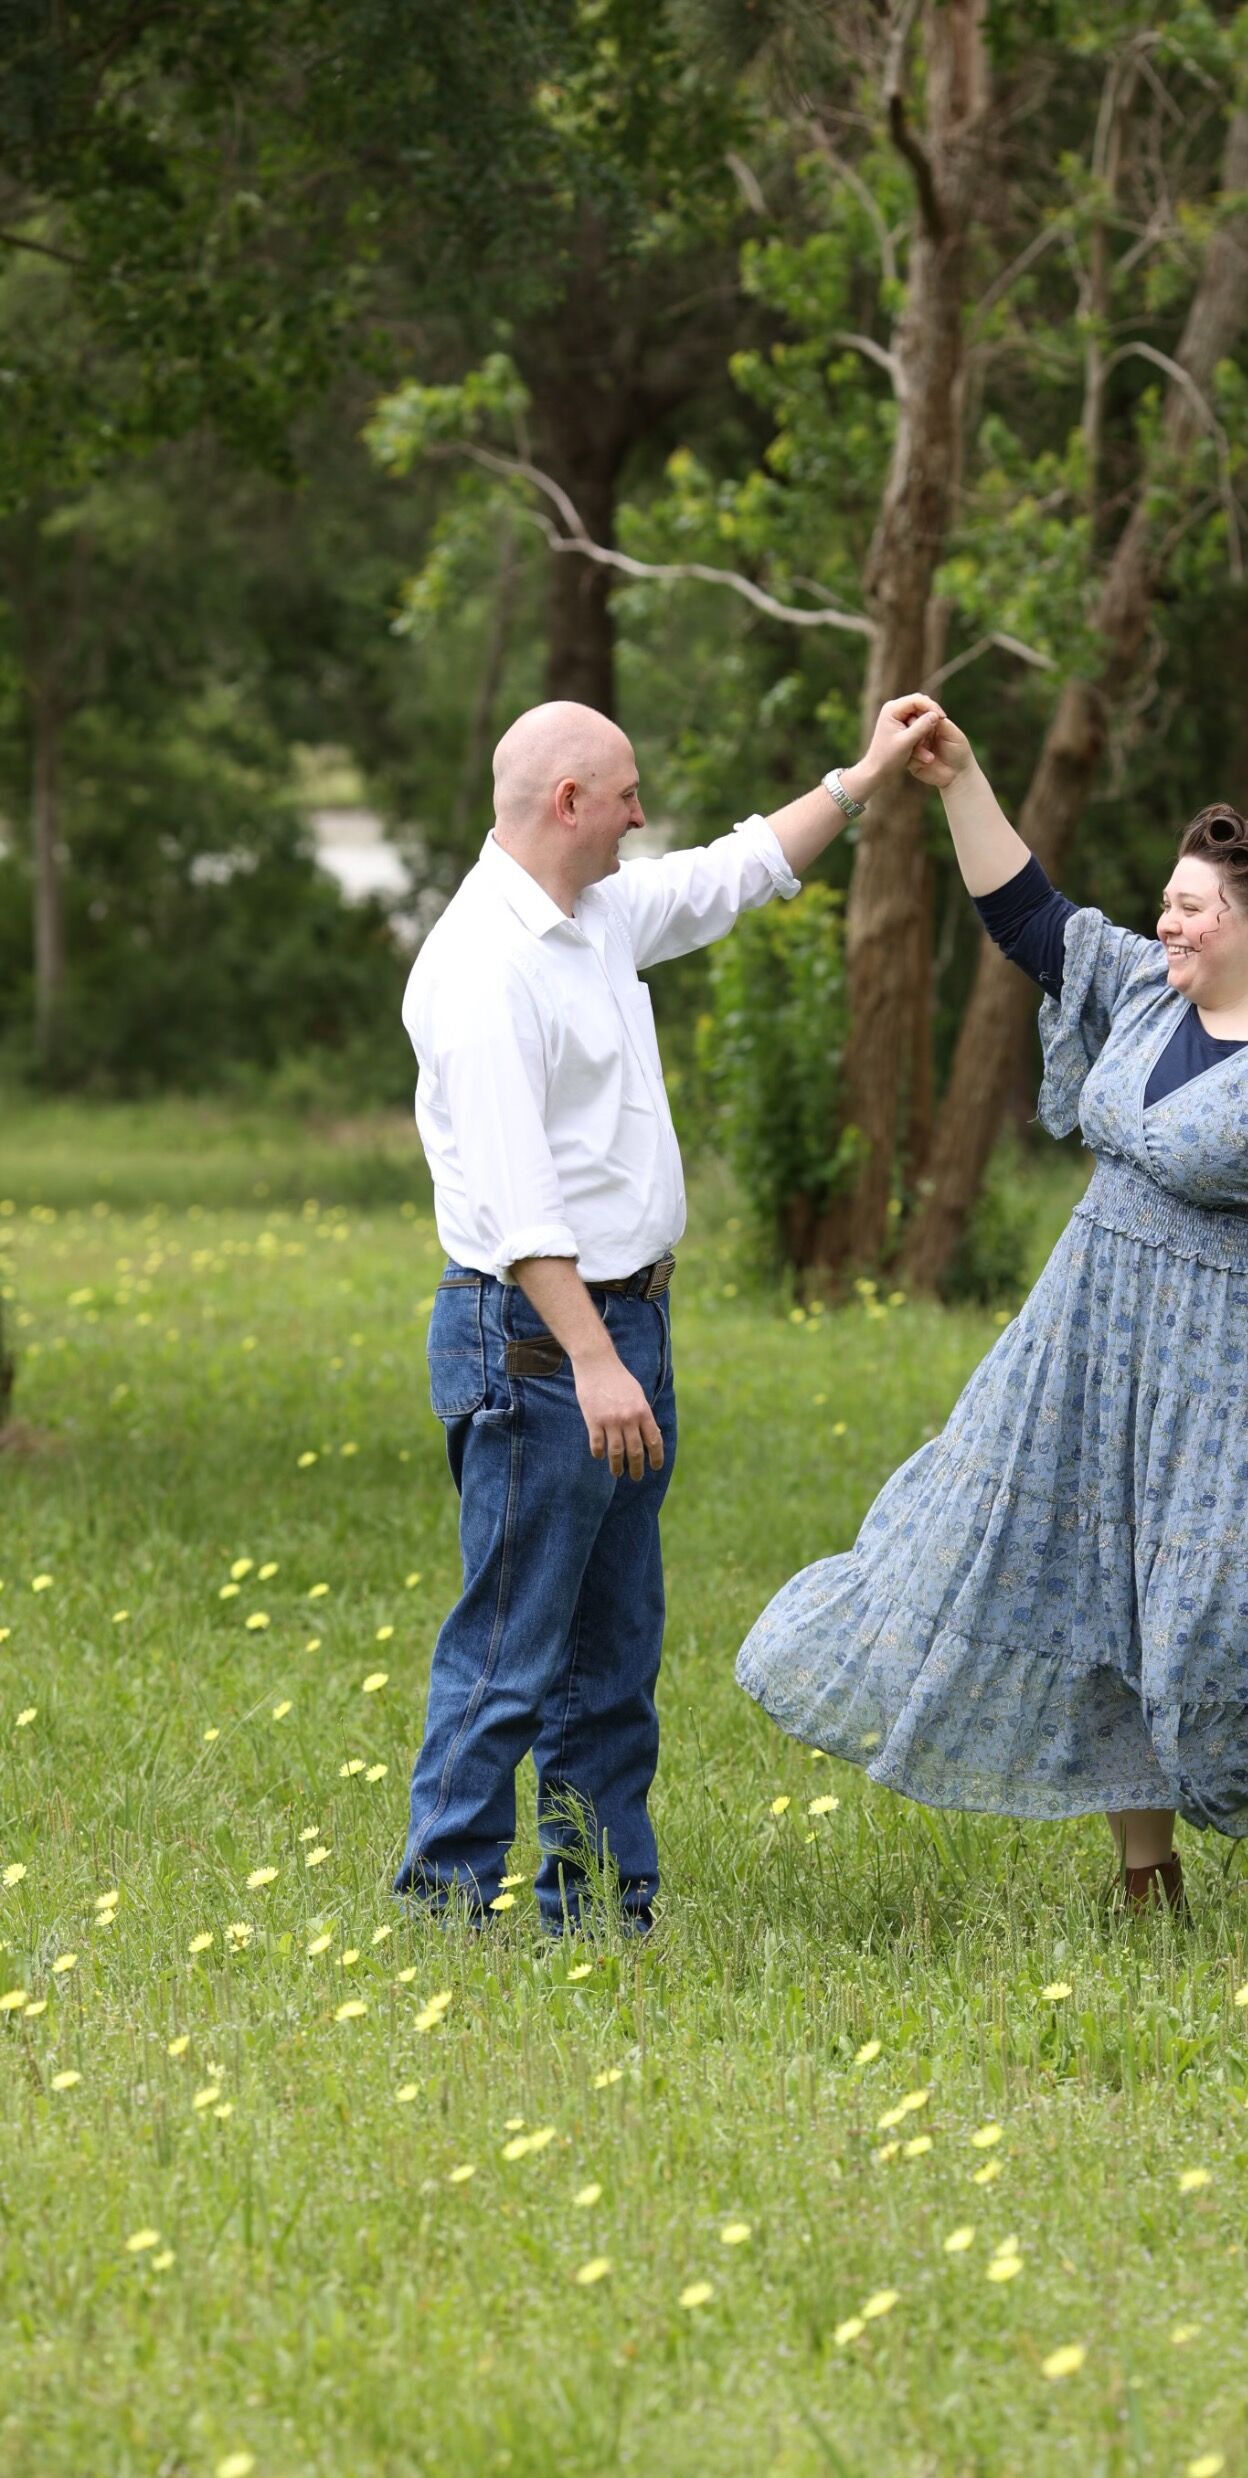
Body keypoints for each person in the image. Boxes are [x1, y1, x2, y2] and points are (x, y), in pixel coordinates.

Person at [737, 710, 1248, 1933]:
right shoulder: (1142, 990)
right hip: (1082, 1340)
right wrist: (962, 778)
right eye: (1167, 902)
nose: (1167, 921)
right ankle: (1145, 1879)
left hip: (1228, 1373)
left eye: (1190, 907)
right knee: (1078, 1591)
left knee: (1216, 1623)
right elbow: (1027, 913)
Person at [395, 692, 942, 1938]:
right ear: (567, 802)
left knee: (615, 1651)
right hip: (539, 1340)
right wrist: (591, 1359)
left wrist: (861, 778)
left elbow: (733, 872)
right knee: (509, 1649)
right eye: (628, 792)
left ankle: (596, 1910)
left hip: (618, 1331)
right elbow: (519, 1204)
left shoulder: (593, 916)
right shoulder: (479, 965)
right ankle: (444, 1913)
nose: (645, 812)